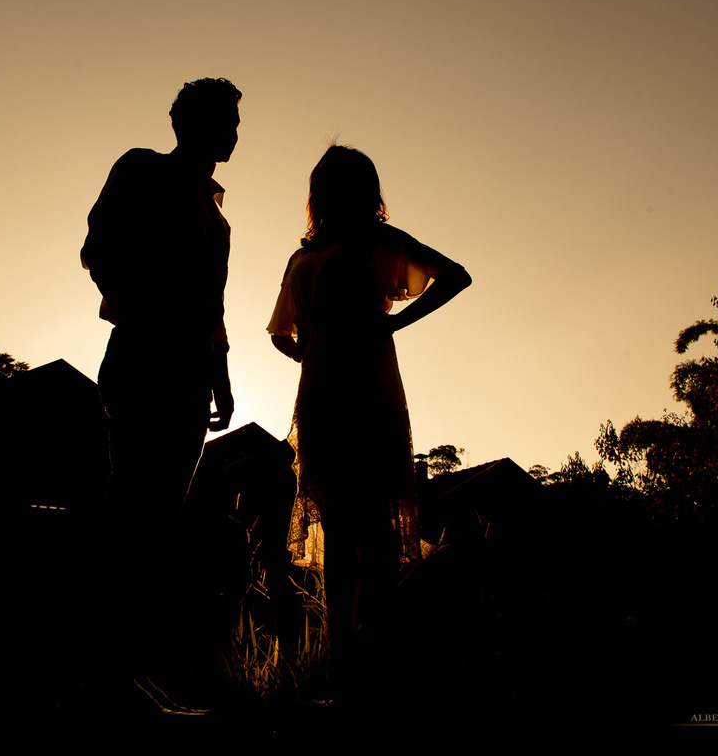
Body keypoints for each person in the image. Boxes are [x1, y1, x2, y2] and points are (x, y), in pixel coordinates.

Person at [267, 145, 471, 696]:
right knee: (337, 529)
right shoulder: (302, 257)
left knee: (376, 533)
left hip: (371, 387)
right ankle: (342, 668)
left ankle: (375, 666)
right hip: (320, 394)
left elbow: (456, 276)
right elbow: (283, 334)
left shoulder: (380, 241)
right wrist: (313, 351)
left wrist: (393, 325)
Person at [80, 78, 241, 702]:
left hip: (190, 378)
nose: (232, 132)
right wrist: (147, 314)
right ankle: (104, 674)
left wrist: (220, 375)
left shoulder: (219, 219)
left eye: (234, 122)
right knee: (131, 515)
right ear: (185, 122)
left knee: (158, 526)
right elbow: (100, 248)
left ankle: (130, 675)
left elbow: (214, 305)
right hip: (145, 360)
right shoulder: (142, 170)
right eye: (223, 119)